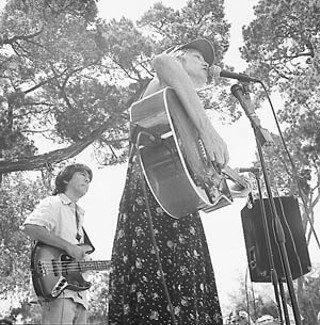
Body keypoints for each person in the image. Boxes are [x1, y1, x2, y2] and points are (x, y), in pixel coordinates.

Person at [108, 39, 232, 324]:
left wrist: (232, 183)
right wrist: (209, 130)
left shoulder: (183, 110)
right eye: (199, 56)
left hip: (177, 206)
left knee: (185, 286)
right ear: (181, 56)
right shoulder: (165, 76)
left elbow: (201, 182)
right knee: (158, 286)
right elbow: (162, 61)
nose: (207, 64)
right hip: (152, 195)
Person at [21, 163, 94, 325]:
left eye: (89, 179)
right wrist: (67, 246)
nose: (87, 179)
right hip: (58, 290)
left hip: (80, 295)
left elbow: (76, 255)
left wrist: (84, 263)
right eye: (82, 174)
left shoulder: (79, 216)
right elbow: (31, 227)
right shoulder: (54, 203)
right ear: (66, 180)